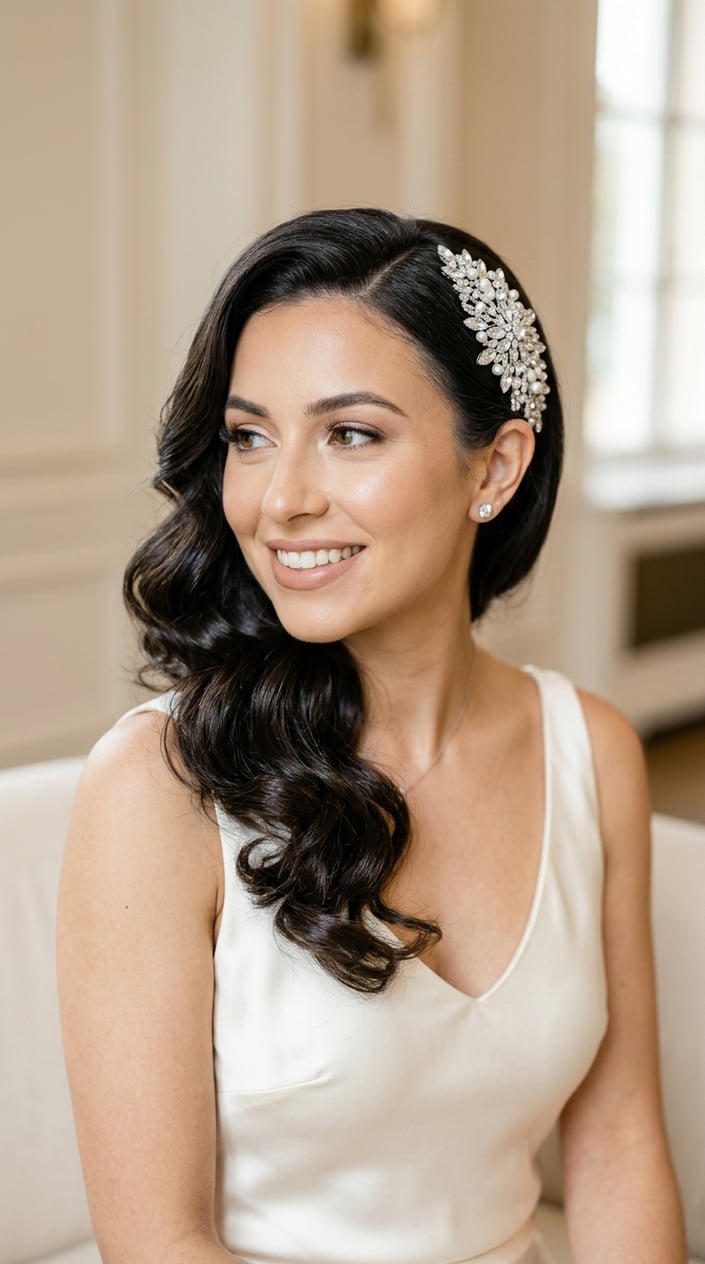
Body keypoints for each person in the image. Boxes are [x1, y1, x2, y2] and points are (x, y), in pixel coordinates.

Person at [57, 208, 686, 1264]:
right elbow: (160, 1242)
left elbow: (617, 1145)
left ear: (494, 470)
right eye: (250, 437)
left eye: (350, 434)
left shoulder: (595, 753)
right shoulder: (158, 785)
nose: (281, 499)